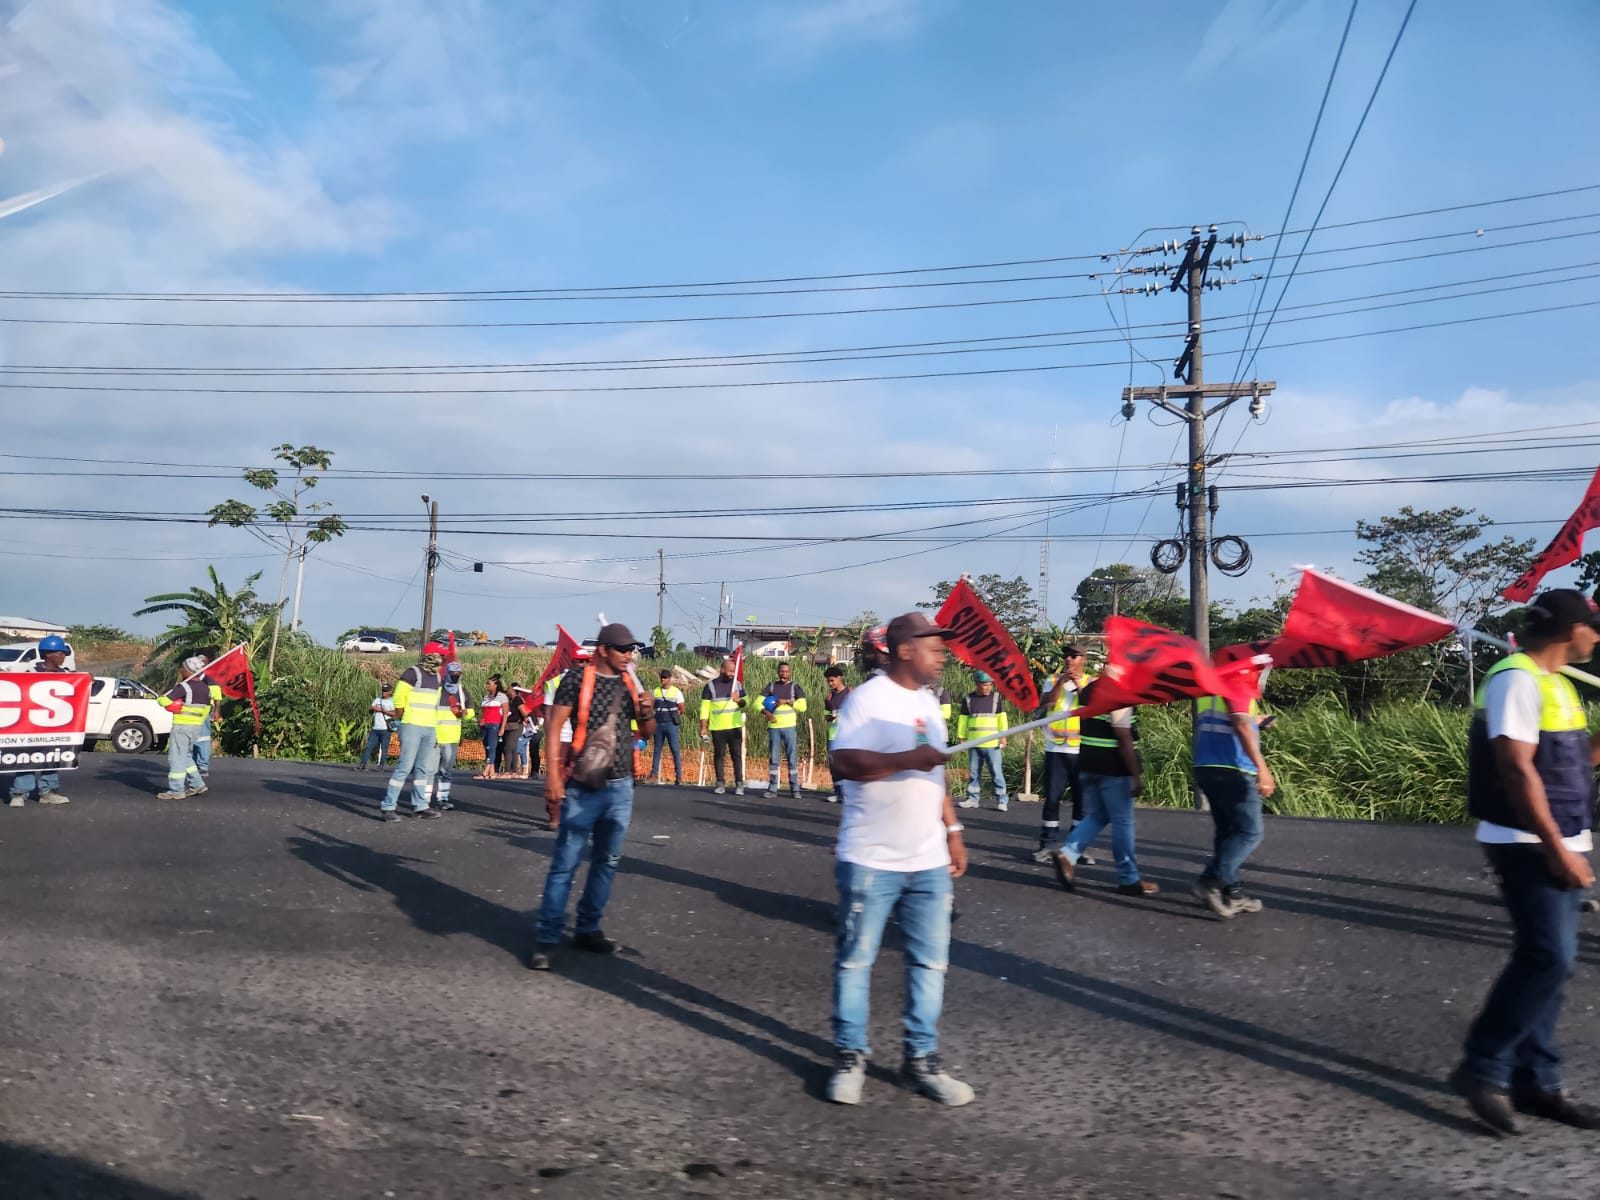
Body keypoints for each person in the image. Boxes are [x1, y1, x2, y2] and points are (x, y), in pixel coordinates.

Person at [1449, 589, 1600, 1135]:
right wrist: (1555, 847)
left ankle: (1537, 1081)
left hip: (1563, 835)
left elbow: (1572, 761)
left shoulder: (1556, 685)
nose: (1597, 635)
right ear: (1568, 630)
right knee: (1547, 958)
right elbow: (1516, 770)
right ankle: (1482, 1067)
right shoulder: (1517, 677)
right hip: (1526, 839)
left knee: (1552, 967)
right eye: (1592, 626)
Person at [826, 611, 973, 1108]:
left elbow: (935, 776)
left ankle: (922, 1061)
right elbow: (842, 762)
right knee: (855, 962)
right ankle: (850, 1055)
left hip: (928, 860)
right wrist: (906, 761)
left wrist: (951, 830)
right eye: (935, 645)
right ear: (905, 649)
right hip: (870, 858)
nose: (943, 653)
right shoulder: (867, 700)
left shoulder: (929, 703)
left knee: (930, 963)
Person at [529, 624, 655, 972]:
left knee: (607, 861)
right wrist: (553, 778)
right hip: (584, 787)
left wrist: (647, 710)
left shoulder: (631, 682)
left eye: (632, 649)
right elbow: (554, 728)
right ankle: (547, 938)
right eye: (623, 649)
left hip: (621, 787)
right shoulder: (575, 679)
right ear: (603, 649)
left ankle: (588, 928)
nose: (630, 655)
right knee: (565, 864)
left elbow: (646, 732)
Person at [1050, 678, 1157, 897]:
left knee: (1098, 815)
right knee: (1122, 821)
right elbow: (1123, 735)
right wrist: (1135, 774)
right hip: (1113, 768)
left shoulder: (1090, 688)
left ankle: (1068, 854)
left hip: (1088, 763)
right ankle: (1129, 879)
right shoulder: (1120, 690)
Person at [1191, 693, 1276, 918]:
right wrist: (1263, 770)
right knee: (1250, 832)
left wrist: (1257, 721)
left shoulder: (1209, 688)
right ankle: (1211, 881)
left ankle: (1233, 891)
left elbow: (1230, 720)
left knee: (1228, 832)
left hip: (1205, 765)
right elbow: (1240, 724)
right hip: (1233, 768)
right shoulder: (1237, 683)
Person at [1034, 647, 1091, 863]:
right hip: (1056, 747)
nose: (1068, 659)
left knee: (1081, 800)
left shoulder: (1090, 681)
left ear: (1083, 660)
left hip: (1080, 748)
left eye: (1073, 656)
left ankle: (1077, 848)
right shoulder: (1053, 679)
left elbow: (1090, 704)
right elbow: (1046, 703)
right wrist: (1061, 682)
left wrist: (1077, 684)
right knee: (1052, 798)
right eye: (1066, 655)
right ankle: (1047, 845)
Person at [381, 642, 447, 822]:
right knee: (405, 767)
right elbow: (399, 698)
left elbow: (436, 705)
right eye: (441, 656)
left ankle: (420, 806)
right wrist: (402, 719)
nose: (442, 660)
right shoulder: (412, 673)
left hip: (430, 728)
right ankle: (388, 806)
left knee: (423, 769)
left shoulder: (438, 678)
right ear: (431, 656)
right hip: (411, 726)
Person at [7, 634, 74, 806]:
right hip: (29, 725)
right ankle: (19, 793)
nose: (64, 656)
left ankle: (48, 792)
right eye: (61, 653)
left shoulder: (67, 675)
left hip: (54, 726)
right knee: (25, 758)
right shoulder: (29, 672)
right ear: (50, 654)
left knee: (52, 757)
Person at [157, 661, 213, 800]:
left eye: (183, 667)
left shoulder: (184, 687)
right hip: (196, 727)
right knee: (186, 756)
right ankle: (197, 784)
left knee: (176, 758)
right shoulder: (206, 688)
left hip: (181, 727)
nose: (181, 669)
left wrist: (161, 698)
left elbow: (164, 702)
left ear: (188, 670)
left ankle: (176, 790)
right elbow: (207, 709)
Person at [957, 672, 1008, 812]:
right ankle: (973, 799)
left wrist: (1003, 736)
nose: (987, 688)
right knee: (974, 773)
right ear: (977, 684)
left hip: (992, 744)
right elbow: (963, 720)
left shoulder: (996, 698)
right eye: (984, 685)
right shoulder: (968, 699)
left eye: (989, 685)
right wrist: (961, 738)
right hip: (974, 743)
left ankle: (1002, 800)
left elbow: (1001, 718)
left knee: (996, 772)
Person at [699, 654, 746, 796]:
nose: (732, 674)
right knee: (719, 756)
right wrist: (703, 728)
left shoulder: (737, 685)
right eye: (730, 671)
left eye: (734, 671)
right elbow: (704, 709)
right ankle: (720, 783)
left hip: (734, 726)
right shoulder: (710, 687)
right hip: (717, 728)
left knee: (736, 756)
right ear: (722, 670)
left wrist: (738, 700)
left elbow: (746, 703)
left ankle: (739, 784)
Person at [761, 661, 809, 799]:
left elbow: (803, 706)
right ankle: (772, 789)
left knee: (792, 759)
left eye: (786, 672)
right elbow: (757, 703)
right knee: (774, 759)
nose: (784, 674)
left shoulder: (795, 687)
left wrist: (787, 701)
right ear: (778, 672)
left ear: (790, 672)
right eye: (782, 671)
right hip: (774, 728)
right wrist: (767, 713)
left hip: (789, 728)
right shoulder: (771, 687)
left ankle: (795, 789)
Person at [432, 662, 473, 811]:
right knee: (429, 770)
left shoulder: (462, 692)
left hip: (451, 738)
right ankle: (423, 800)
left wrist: (464, 713)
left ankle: (443, 799)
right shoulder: (438, 690)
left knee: (446, 771)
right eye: (453, 675)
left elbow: (471, 712)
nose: (455, 677)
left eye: (458, 675)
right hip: (434, 736)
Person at [189, 656, 223, 781]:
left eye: (202, 662)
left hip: (204, 714)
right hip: (190, 715)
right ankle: (192, 765)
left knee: (203, 739)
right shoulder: (190, 678)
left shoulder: (210, 680)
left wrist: (217, 712)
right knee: (192, 741)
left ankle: (203, 766)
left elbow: (217, 699)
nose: (200, 664)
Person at [650, 668, 686, 784]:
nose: (662, 679)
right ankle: (653, 775)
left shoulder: (676, 692)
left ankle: (679, 777)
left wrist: (675, 714)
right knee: (657, 750)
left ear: (670, 679)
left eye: (665, 677)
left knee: (675, 750)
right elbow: (651, 706)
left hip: (671, 724)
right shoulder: (655, 691)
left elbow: (682, 708)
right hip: (658, 724)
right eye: (662, 677)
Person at [822, 665, 851, 803]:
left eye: (832, 680)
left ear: (839, 678)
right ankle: (838, 793)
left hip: (849, 735)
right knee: (834, 766)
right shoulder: (830, 697)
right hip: (834, 735)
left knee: (849, 765)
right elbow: (826, 715)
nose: (830, 683)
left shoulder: (851, 693)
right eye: (828, 681)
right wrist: (830, 717)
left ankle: (849, 793)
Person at [357, 683, 396, 770]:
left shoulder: (392, 701)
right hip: (375, 728)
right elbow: (371, 708)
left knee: (384, 748)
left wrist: (383, 711)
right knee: (369, 746)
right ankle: (362, 764)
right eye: (382, 691)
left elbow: (395, 714)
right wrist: (374, 708)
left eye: (385, 691)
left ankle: (381, 766)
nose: (383, 693)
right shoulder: (377, 700)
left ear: (390, 691)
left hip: (385, 729)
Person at [477, 675, 508, 779]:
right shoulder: (486, 697)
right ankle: (492, 771)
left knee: (492, 747)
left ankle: (486, 770)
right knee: (486, 746)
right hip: (485, 725)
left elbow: (505, 713)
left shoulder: (502, 696)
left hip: (495, 724)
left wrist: (502, 727)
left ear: (495, 685)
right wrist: (480, 720)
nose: (487, 686)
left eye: (489, 684)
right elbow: (483, 712)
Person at [502, 682, 527, 776]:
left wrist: (524, 719)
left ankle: (508, 771)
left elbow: (524, 712)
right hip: (508, 726)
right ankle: (514, 771)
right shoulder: (509, 699)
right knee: (513, 748)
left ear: (513, 689)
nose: (507, 689)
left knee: (508, 747)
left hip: (517, 726)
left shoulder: (518, 699)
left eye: (509, 688)